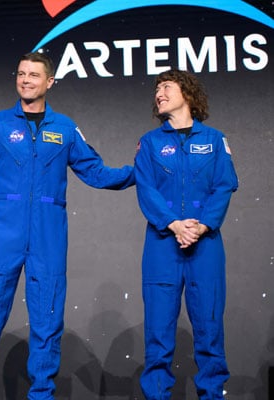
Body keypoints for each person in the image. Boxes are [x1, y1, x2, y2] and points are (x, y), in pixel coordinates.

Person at [0, 51, 135, 400]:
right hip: (0, 235)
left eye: (34, 75)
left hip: (48, 237)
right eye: (21, 73)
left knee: (47, 322)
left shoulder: (65, 129)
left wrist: (138, 172)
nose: (25, 80)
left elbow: (97, 173)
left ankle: (42, 395)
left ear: (49, 82)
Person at [134, 68, 238, 399]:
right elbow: (147, 189)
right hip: (163, 246)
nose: (159, 94)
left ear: (187, 94)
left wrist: (203, 225)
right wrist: (174, 224)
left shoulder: (215, 139)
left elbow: (225, 185)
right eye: (157, 90)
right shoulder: (150, 143)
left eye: (166, 87)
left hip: (205, 245)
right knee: (159, 336)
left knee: (209, 332)